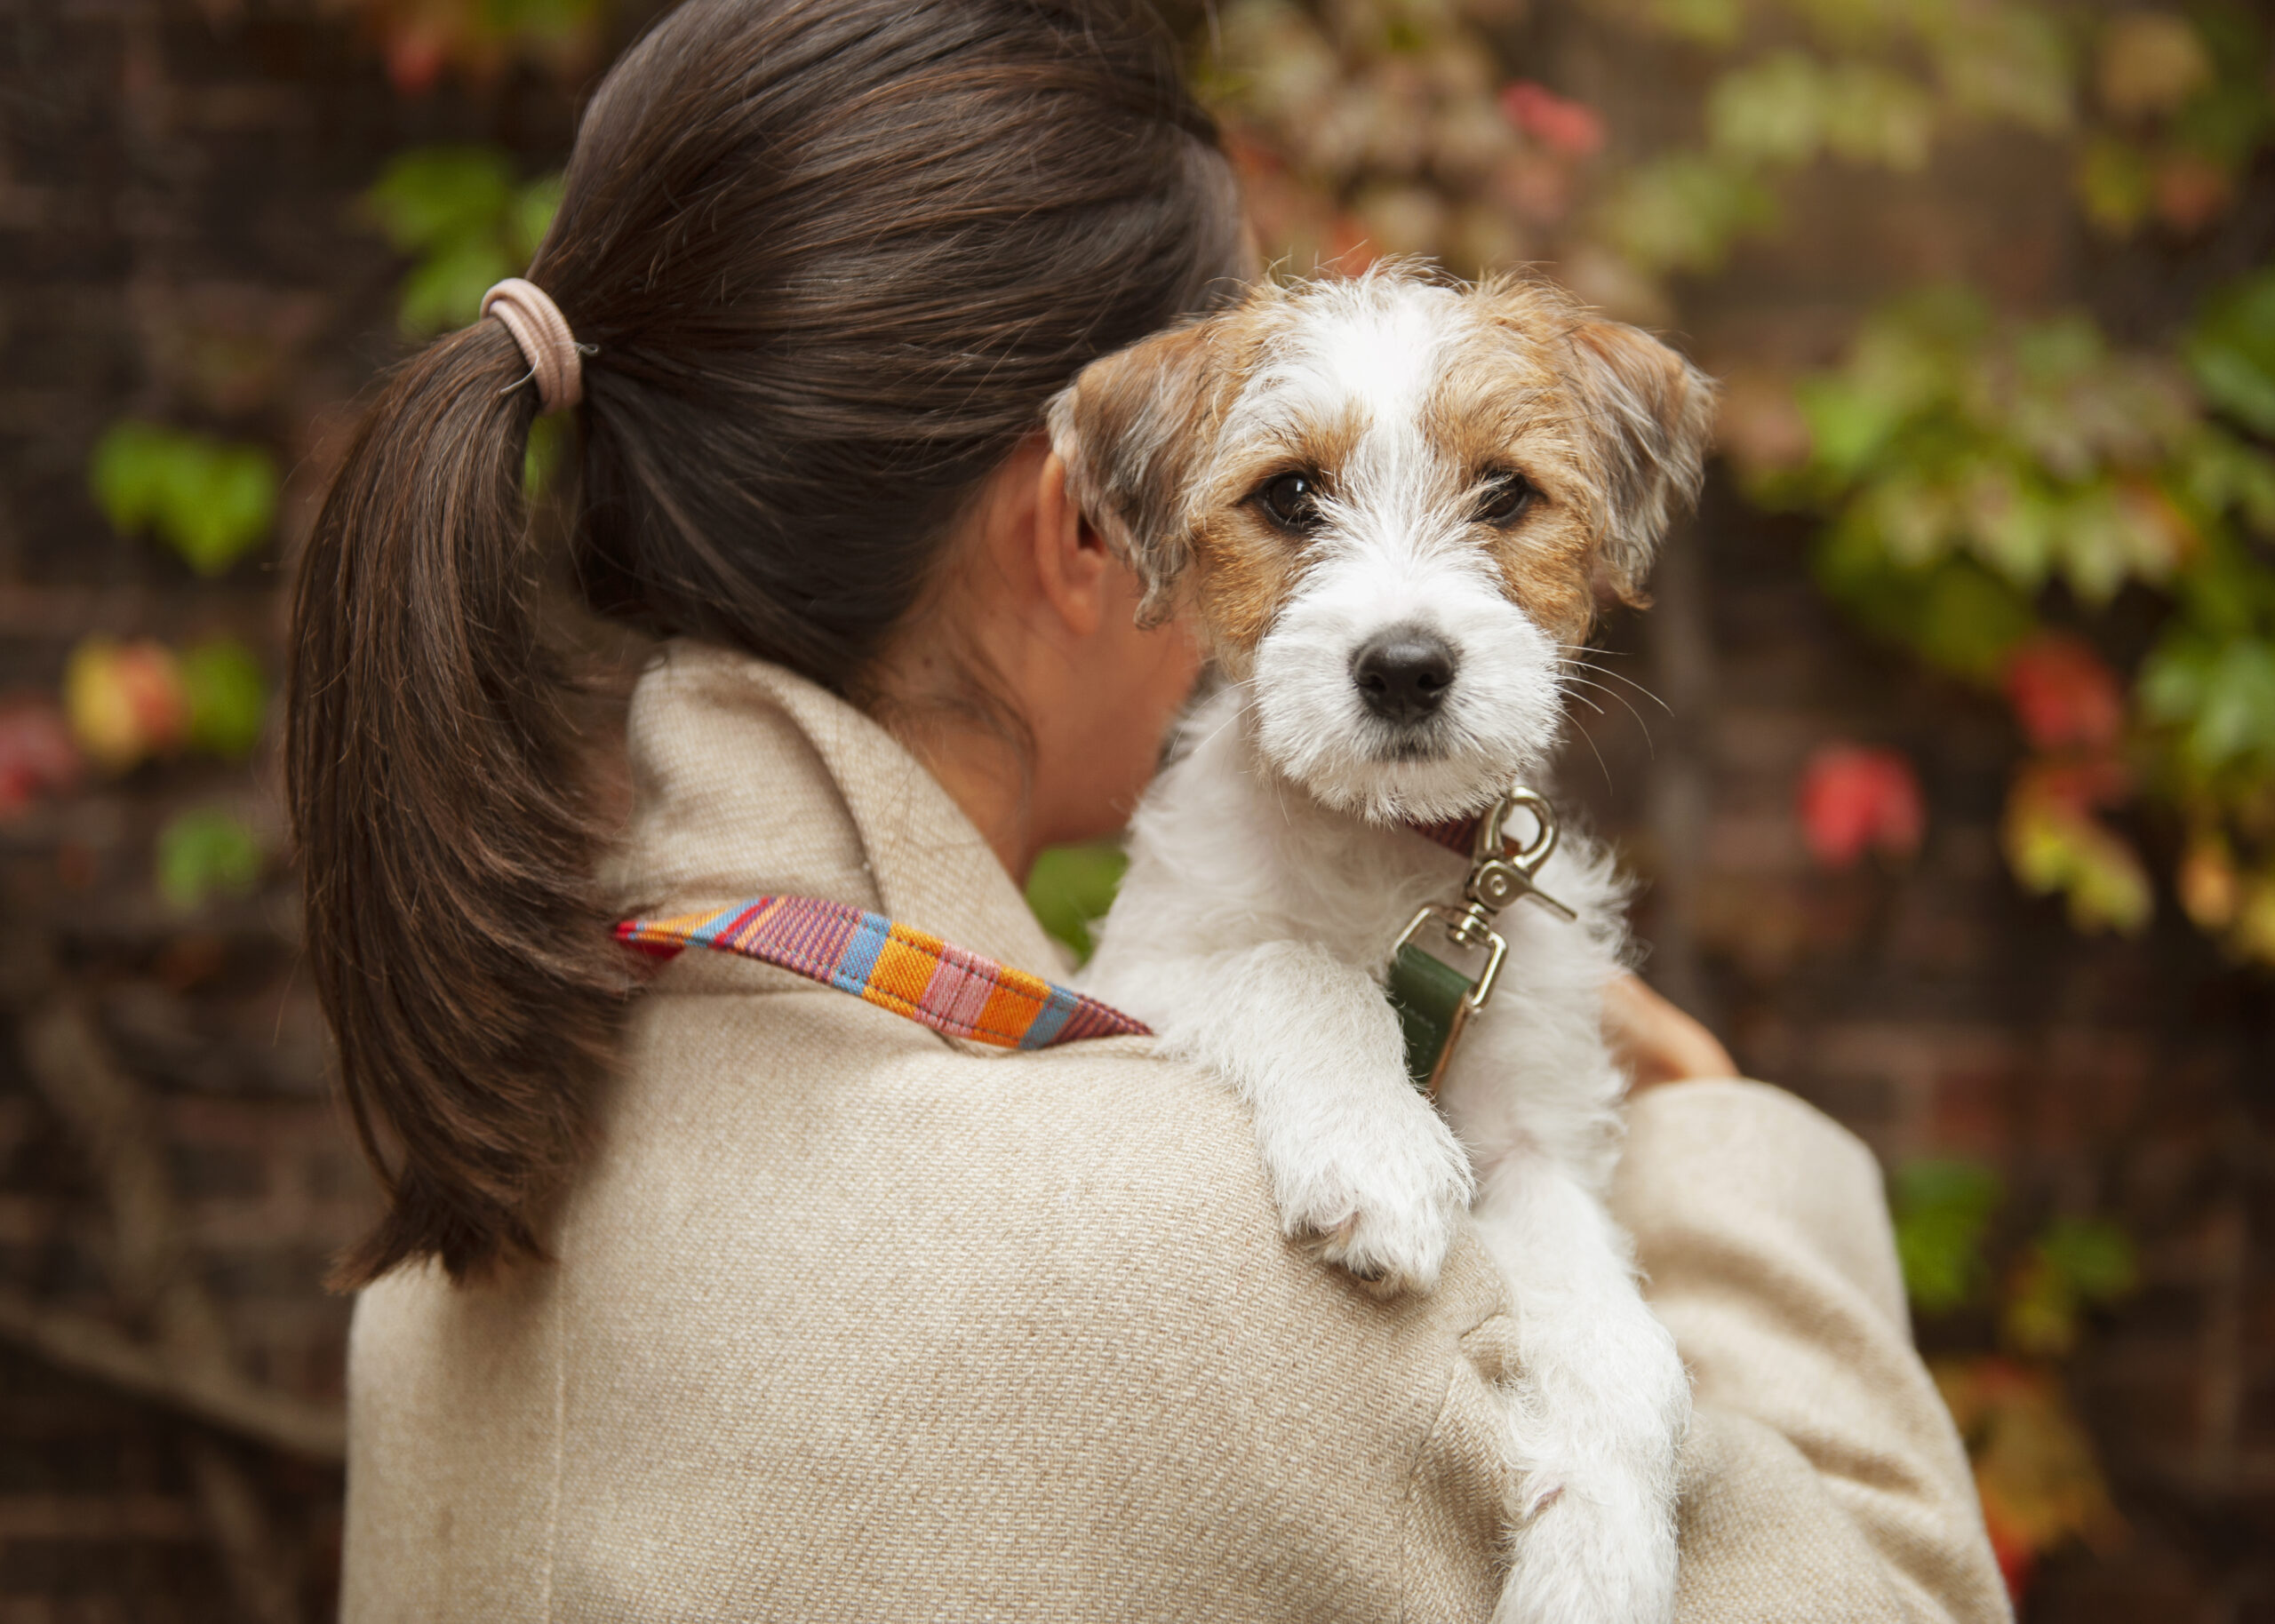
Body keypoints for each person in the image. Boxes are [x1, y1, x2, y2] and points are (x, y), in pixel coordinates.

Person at [289, 0, 2011, 1618]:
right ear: (1086, 522)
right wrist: (1715, 1135)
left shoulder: (475, 1150)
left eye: (1495, 498)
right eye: (1277, 501)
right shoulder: (1216, 1262)